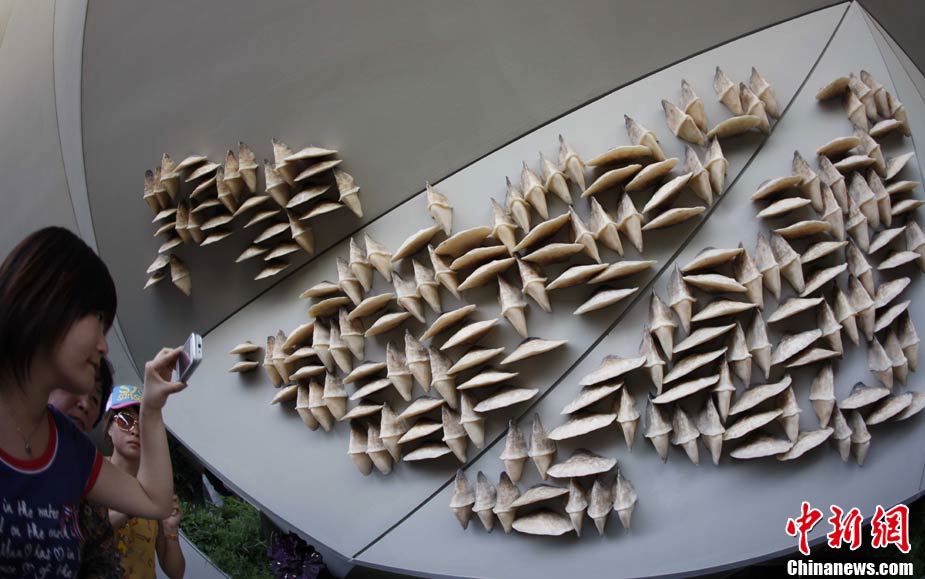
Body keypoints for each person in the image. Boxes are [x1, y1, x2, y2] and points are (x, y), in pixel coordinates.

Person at [0, 227, 186, 579]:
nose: (104, 346)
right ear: (50, 300)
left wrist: (151, 408)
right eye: (99, 321)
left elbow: (155, 501)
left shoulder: (68, 447)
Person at [48, 357, 122, 579]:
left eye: (95, 398)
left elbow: (103, 564)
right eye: (76, 388)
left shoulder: (88, 488)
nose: (85, 404)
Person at [105, 385, 185, 579]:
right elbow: (81, 536)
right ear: (108, 427)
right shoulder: (92, 473)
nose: (135, 431)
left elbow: (176, 572)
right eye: (125, 420)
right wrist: (134, 507)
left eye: (143, 424)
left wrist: (170, 529)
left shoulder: (155, 487)